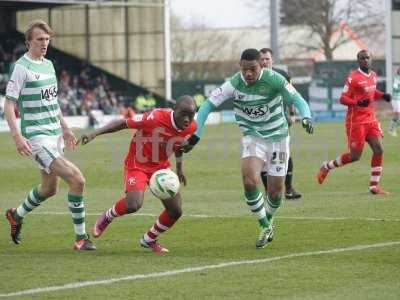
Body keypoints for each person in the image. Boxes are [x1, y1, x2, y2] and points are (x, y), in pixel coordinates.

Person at [181, 49, 313, 249]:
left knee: (275, 192)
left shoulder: (274, 80)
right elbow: (207, 106)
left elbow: (298, 100)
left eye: (252, 69)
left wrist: (306, 116)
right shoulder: (234, 83)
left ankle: (268, 221)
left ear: (261, 65)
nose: (248, 74)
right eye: (245, 70)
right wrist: (196, 136)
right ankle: (264, 226)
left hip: (278, 139)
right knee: (250, 182)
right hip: (253, 138)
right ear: (240, 67)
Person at [4, 20, 95, 250]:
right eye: (39, 39)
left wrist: (64, 128)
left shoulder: (49, 65)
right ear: (28, 42)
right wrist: (17, 136)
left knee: (49, 189)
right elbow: (9, 104)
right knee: (77, 180)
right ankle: (81, 238)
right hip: (37, 137)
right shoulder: (21, 67)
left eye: (47, 39)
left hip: (54, 134)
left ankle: (16, 215)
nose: (44, 43)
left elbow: (52, 102)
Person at [78, 96, 197, 253]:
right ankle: (108, 216)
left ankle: (149, 239)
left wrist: (179, 168)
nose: (187, 119)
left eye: (191, 114)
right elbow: (123, 123)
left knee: (175, 210)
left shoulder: (190, 127)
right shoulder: (154, 117)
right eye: (184, 114)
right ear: (174, 110)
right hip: (138, 164)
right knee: (133, 204)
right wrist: (95, 133)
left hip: (160, 168)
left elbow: (178, 146)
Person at [316, 50, 392, 195]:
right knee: (355, 156)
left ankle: (374, 186)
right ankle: (327, 166)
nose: (365, 60)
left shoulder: (373, 76)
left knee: (379, 149)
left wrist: (383, 95)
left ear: (371, 59)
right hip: (356, 122)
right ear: (358, 61)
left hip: (371, 120)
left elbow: (372, 93)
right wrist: (357, 102)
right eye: (361, 58)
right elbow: (343, 98)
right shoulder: (353, 78)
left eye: (367, 58)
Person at [259, 47, 301, 200]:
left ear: (272, 60)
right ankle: (268, 190)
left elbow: (291, 95)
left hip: (279, 120)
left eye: (267, 59)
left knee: (285, 153)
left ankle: (289, 189)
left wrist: (291, 114)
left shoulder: (282, 75)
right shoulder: (253, 76)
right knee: (263, 156)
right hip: (260, 123)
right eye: (262, 59)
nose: (264, 62)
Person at [388, 67, 400, 137]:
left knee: (397, 115)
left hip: (398, 99)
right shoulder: (397, 78)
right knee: (398, 115)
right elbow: (395, 88)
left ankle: (391, 129)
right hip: (396, 100)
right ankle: (391, 130)